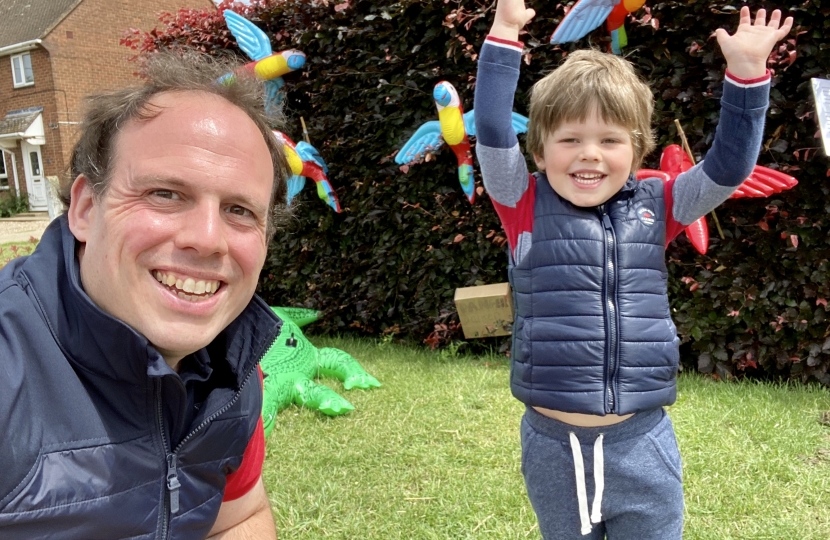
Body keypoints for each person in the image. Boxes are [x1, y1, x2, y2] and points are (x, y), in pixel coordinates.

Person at [474, 2, 792, 538]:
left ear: (637, 147)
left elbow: (729, 167)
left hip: (642, 441)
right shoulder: (520, 201)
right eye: (570, 139)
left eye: (609, 140)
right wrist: (505, 33)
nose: (589, 155)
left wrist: (745, 78)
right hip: (553, 447)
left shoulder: (661, 202)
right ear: (541, 148)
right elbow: (489, 129)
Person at [0, 51, 290, 539]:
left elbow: (237, 517)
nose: (207, 238)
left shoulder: (234, 366)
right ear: (86, 208)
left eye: (239, 209)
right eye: (165, 194)